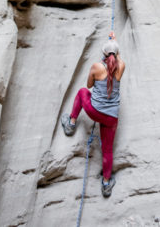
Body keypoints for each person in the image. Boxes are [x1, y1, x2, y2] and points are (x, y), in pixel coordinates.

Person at [61, 31, 125, 197]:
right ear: (117, 54)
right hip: (111, 117)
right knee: (108, 150)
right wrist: (115, 43)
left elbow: (89, 85)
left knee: (82, 92)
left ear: (103, 53)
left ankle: (71, 123)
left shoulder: (97, 67)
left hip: (95, 111)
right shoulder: (122, 66)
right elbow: (116, 60)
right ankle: (106, 184)